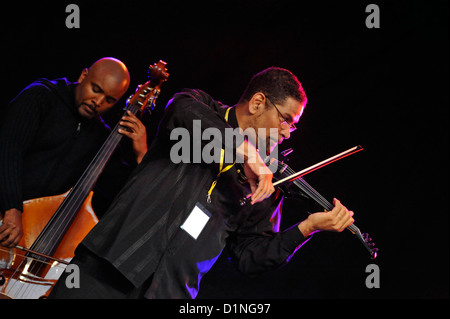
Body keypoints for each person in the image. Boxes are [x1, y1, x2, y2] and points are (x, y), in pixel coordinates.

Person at [48, 67, 354, 299]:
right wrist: (243, 149)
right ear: (258, 102)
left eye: (294, 126)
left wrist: (307, 228)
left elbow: (249, 256)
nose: (287, 132)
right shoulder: (199, 106)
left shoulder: (264, 179)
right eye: (285, 119)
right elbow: (181, 111)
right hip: (106, 270)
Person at [0, 57, 148, 249]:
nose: (98, 102)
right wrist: (12, 209)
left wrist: (142, 155)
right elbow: (8, 151)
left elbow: (121, 193)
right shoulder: (41, 96)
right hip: (6, 215)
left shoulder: (101, 138)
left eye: (110, 100)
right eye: (96, 89)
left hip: (34, 236)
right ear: (83, 75)